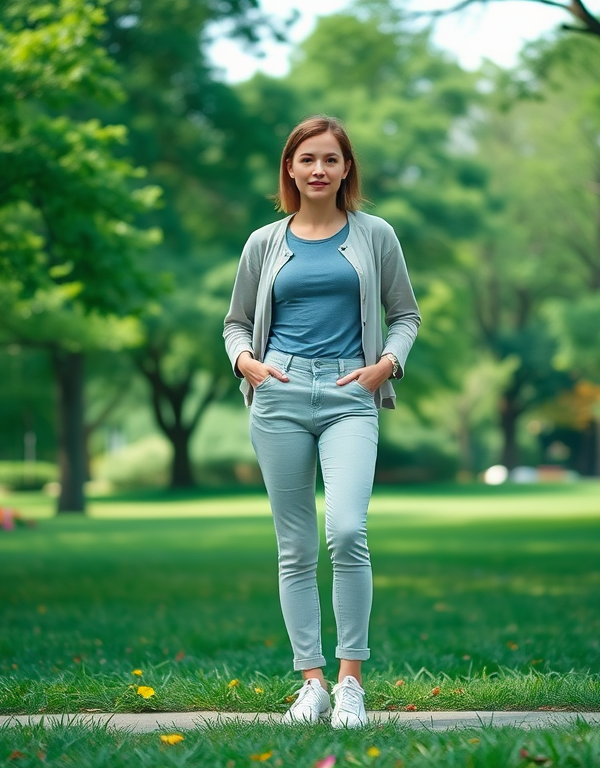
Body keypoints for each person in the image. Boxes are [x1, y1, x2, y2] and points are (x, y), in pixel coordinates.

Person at [222, 115, 421, 728]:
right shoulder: (264, 242)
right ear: (290, 168)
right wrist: (247, 363)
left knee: (347, 531)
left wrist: (386, 365)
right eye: (307, 159)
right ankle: (311, 683)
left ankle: (351, 683)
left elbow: (405, 314)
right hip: (278, 391)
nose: (318, 170)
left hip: (349, 392)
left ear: (345, 169)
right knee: (295, 547)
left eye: (330, 160)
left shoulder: (374, 235)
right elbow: (234, 324)